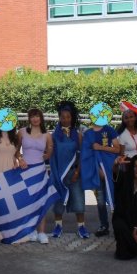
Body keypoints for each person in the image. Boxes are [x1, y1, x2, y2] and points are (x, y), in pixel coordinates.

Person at [49, 101, 89, 239]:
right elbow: (51, 156)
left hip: (74, 173)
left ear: (72, 118)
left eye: (68, 117)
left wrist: (77, 172)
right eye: (63, 117)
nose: (65, 119)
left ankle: (81, 227)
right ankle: (58, 226)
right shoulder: (54, 136)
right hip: (59, 174)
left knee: (78, 200)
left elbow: (82, 155)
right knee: (59, 201)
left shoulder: (78, 135)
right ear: (59, 118)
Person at [80, 112, 120, 237]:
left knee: (115, 198)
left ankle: (119, 225)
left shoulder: (109, 130)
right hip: (96, 171)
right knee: (101, 201)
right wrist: (96, 170)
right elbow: (85, 155)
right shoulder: (88, 133)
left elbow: (117, 149)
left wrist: (101, 148)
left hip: (110, 168)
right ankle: (104, 225)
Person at [19, 108, 53, 243]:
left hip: (39, 170)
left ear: (41, 118)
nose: (35, 119)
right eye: (32, 116)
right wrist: (20, 159)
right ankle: (30, 230)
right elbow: (15, 151)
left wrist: (42, 158)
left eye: (37, 116)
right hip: (25, 171)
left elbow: (50, 152)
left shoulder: (47, 135)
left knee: (41, 201)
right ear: (29, 118)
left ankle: (42, 232)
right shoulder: (21, 132)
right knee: (28, 202)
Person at [112, 154, 137, 260]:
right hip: (123, 220)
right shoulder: (124, 179)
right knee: (123, 255)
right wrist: (116, 165)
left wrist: (135, 232)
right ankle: (130, 246)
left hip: (136, 225)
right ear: (131, 167)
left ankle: (131, 245)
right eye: (135, 166)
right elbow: (115, 173)